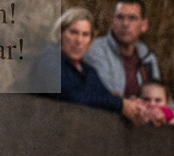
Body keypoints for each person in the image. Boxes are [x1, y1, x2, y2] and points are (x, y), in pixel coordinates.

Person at [28, 7, 160, 125]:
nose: (79, 40)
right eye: (73, 32)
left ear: (91, 41)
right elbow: (74, 96)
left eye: (85, 35)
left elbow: (103, 96)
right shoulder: (49, 61)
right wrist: (120, 104)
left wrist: (135, 107)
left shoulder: (86, 70)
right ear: (60, 34)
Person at [85, 0, 161, 99]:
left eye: (132, 18)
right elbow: (107, 95)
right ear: (112, 22)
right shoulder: (95, 50)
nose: (125, 24)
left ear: (144, 25)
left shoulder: (148, 58)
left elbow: (159, 95)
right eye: (120, 17)